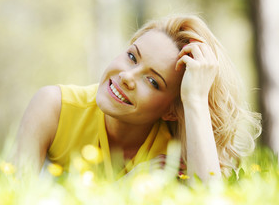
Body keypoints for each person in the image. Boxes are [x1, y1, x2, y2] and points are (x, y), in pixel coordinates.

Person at [14, 14, 261, 182]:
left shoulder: (177, 153)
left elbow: (210, 199)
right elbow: (10, 196)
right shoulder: (53, 107)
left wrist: (196, 99)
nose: (127, 77)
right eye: (132, 57)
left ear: (172, 111)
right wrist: (124, 189)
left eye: (153, 81)